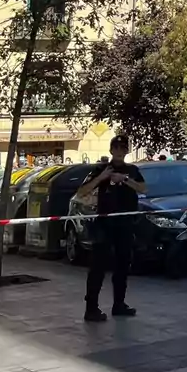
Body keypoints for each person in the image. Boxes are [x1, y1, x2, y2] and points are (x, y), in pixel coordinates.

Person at [76, 135, 145, 323]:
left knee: (123, 265)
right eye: (116, 148)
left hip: (125, 224)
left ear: (127, 151)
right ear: (111, 150)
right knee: (97, 267)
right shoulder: (100, 169)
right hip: (104, 224)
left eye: (123, 148)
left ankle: (119, 304)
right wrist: (102, 177)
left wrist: (125, 179)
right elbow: (82, 192)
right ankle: (91, 308)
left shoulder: (133, 170)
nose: (119, 151)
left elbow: (143, 189)